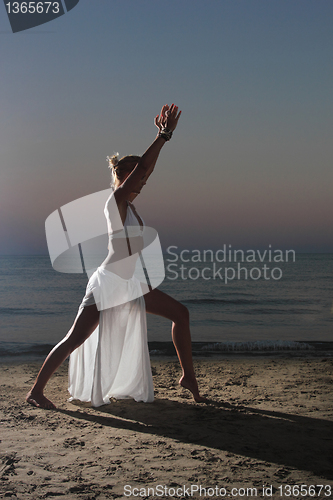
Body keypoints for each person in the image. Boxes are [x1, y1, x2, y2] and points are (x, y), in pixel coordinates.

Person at [26, 104, 207, 409]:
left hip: (130, 283)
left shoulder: (131, 207)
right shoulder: (115, 201)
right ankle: (36, 391)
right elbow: (144, 168)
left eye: (145, 174)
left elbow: (146, 169)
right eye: (138, 173)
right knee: (76, 338)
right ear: (123, 175)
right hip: (110, 282)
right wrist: (163, 136)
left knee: (181, 314)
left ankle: (188, 377)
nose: (145, 178)